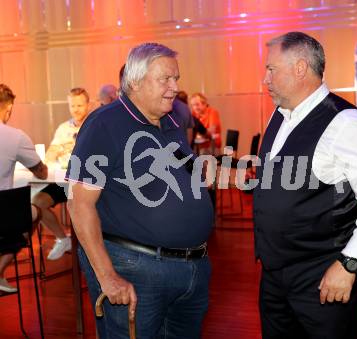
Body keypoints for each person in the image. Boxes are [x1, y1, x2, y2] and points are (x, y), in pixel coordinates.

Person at [253, 32, 357, 339]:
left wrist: (349, 264)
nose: (265, 79)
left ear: (300, 68)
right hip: (274, 276)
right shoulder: (279, 116)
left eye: (271, 69)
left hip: (323, 275)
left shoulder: (346, 123)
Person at [66, 42, 214, 338]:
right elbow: (79, 204)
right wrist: (108, 277)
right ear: (134, 81)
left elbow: (183, 168)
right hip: (136, 269)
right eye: (166, 79)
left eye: (176, 79)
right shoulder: (104, 124)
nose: (174, 87)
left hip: (192, 268)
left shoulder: (169, 119)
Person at [32, 88, 90, 260]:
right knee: (37, 202)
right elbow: (51, 153)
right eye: (73, 106)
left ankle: (90, 251)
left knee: (84, 209)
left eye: (80, 105)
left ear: (88, 105)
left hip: (87, 183)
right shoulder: (63, 128)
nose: (76, 109)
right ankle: (63, 239)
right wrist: (56, 151)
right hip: (63, 180)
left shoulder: (95, 124)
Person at [0, 84, 48, 292]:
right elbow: (41, 173)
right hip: (2, 216)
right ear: (9, 108)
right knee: (36, 211)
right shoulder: (15, 136)